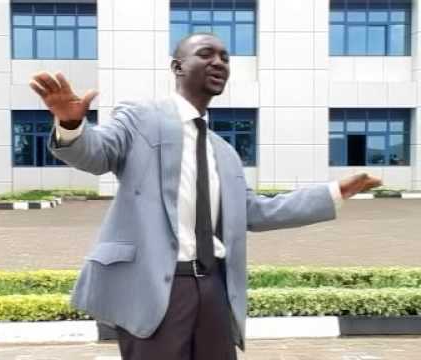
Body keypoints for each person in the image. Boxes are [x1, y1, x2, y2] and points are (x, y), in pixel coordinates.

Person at [29, 33, 382, 360]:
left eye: (225, 58)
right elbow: (96, 154)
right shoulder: (140, 118)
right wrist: (72, 125)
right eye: (206, 54)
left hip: (213, 286)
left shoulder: (224, 152)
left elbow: (254, 211)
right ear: (178, 67)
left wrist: (336, 192)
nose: (219, 62)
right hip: (157, 287)